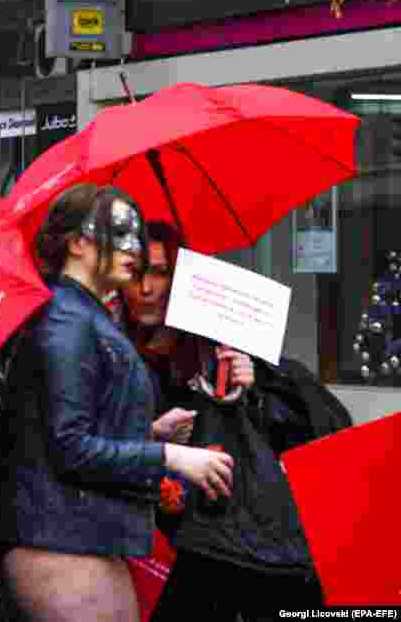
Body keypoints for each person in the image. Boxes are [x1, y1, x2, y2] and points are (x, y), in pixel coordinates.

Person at [0, 184, 234, 622]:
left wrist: (151, 433)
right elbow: (70, 448)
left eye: (135, 235)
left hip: (80, 537)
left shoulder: (82, 313)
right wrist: (172, 455)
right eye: (119, 233)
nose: (132, 247)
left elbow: (67, 432)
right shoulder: (66, 319)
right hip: (59, 541)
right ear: (78, 243)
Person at [120, 221, 331, 621]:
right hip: (146, 544)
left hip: (231, 546)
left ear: (180, 278)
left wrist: (252, 387)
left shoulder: (214, 346)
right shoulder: (109, 348)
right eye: (136, 272)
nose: (146, 287)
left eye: (160, 272)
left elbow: (299, 430)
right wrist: (152, 435)